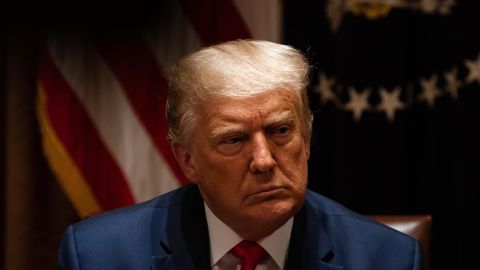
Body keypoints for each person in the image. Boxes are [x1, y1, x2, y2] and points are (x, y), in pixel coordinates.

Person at [58, 39, 424, 270]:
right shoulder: (99, 256)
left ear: (308, 139)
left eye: (281, 131)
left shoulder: (386, 259)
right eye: (234, 140)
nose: (264, 160)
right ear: (188, 160)